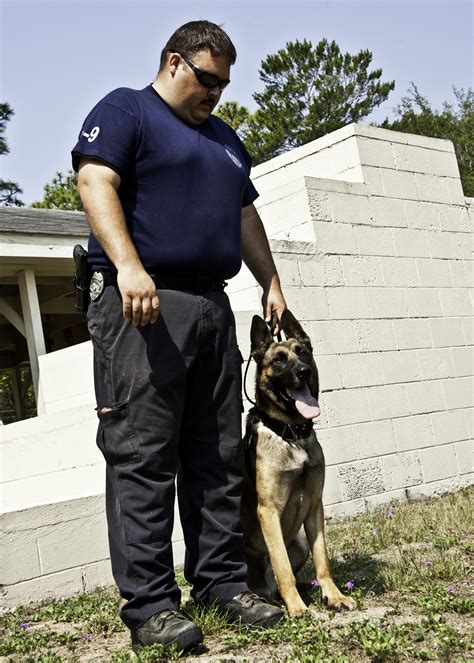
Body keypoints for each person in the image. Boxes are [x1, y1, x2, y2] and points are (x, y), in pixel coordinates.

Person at [72, 20, 287, 654]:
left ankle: (220, 583)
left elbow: (243, 212)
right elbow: (94, 182)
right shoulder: (126, 110)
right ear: (173, 62)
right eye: (207, 79)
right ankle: (150, 608)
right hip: (143, 303)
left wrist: (270, 279)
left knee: (217, 454)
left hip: (211, 307)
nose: (216, 94)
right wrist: (130, 267)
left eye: (224, 84)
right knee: (142, 457)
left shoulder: (224, 140)